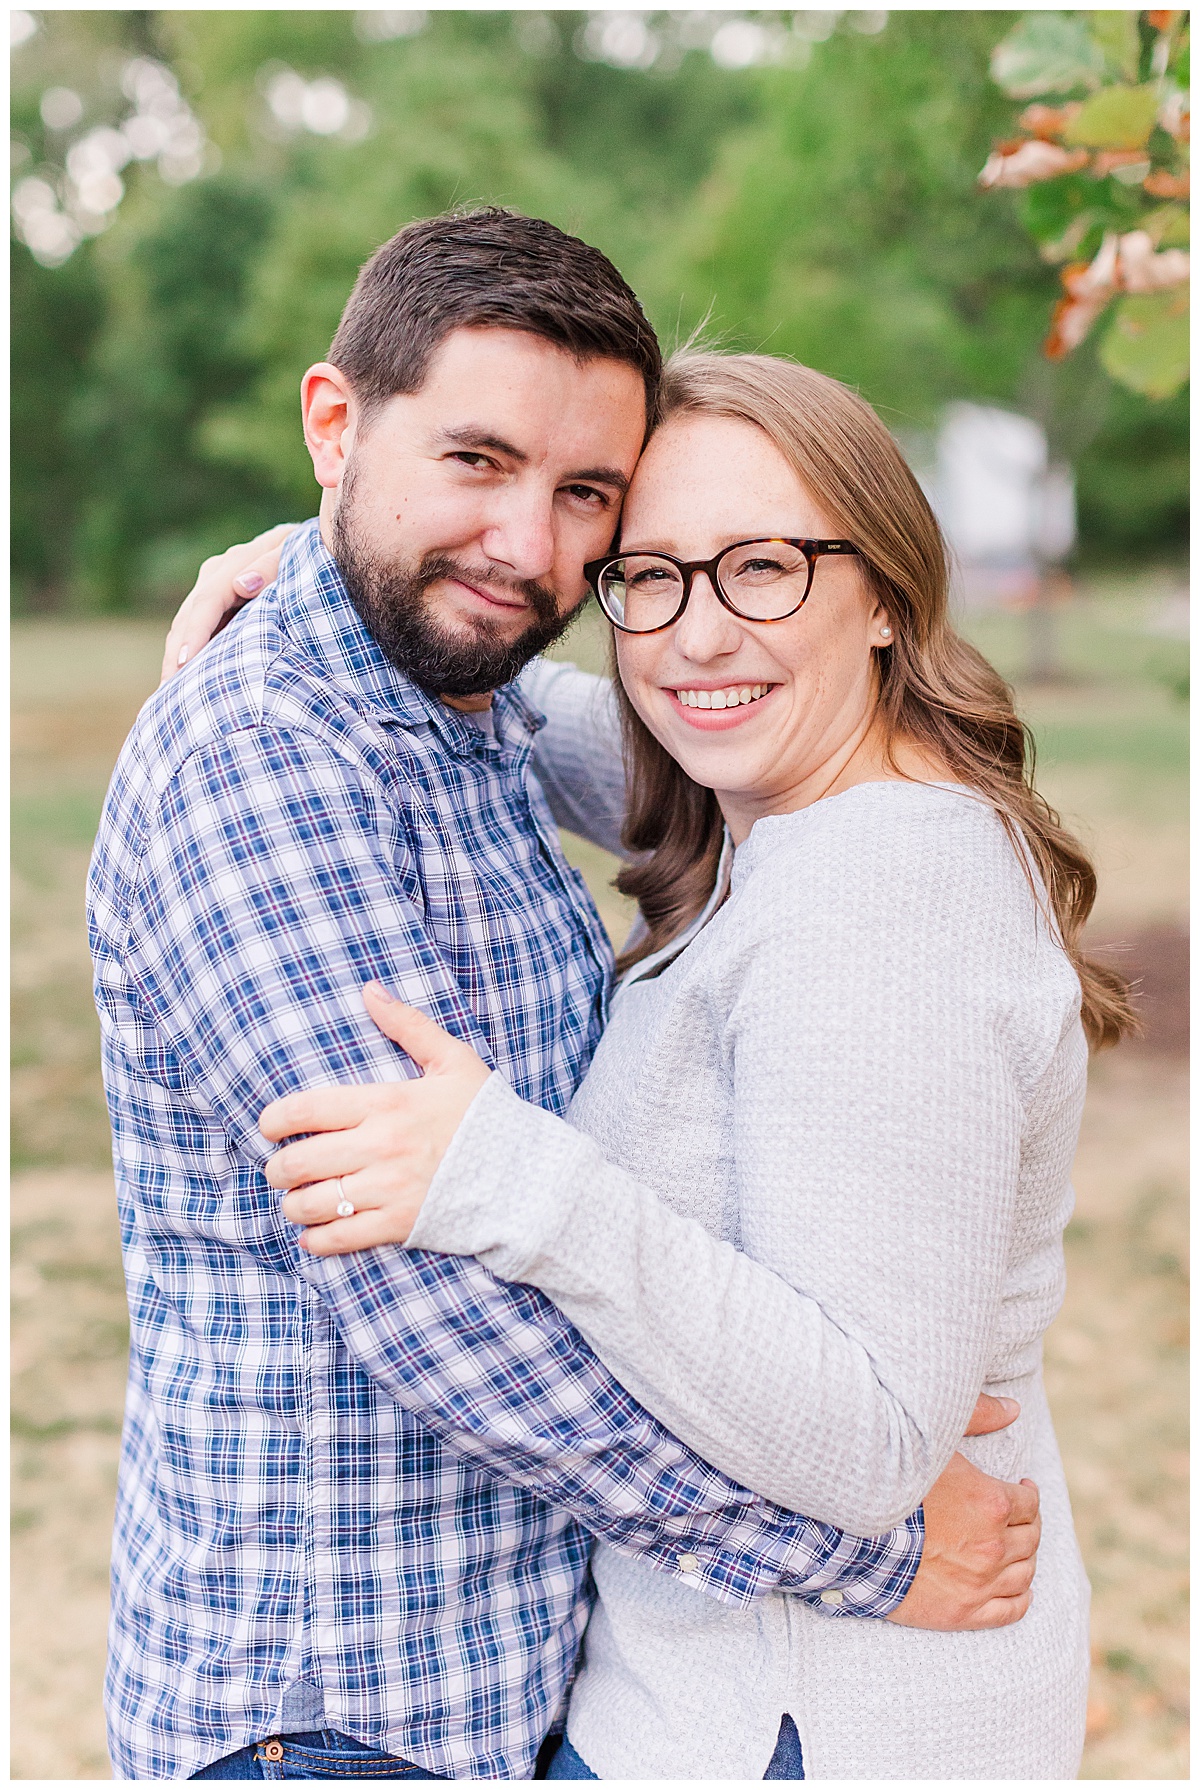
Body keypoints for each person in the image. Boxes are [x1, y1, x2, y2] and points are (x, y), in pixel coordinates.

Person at [96, 210, 1039, 1784]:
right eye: (475, 460)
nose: (534, 549)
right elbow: (442, 1309)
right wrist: (869, 1557)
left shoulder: (458, 701)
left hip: (528, 1676)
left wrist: (907, 726)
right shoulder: (261, 766)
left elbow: (727, 747)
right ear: (336, 424)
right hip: (335, 1712)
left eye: (587, 494)